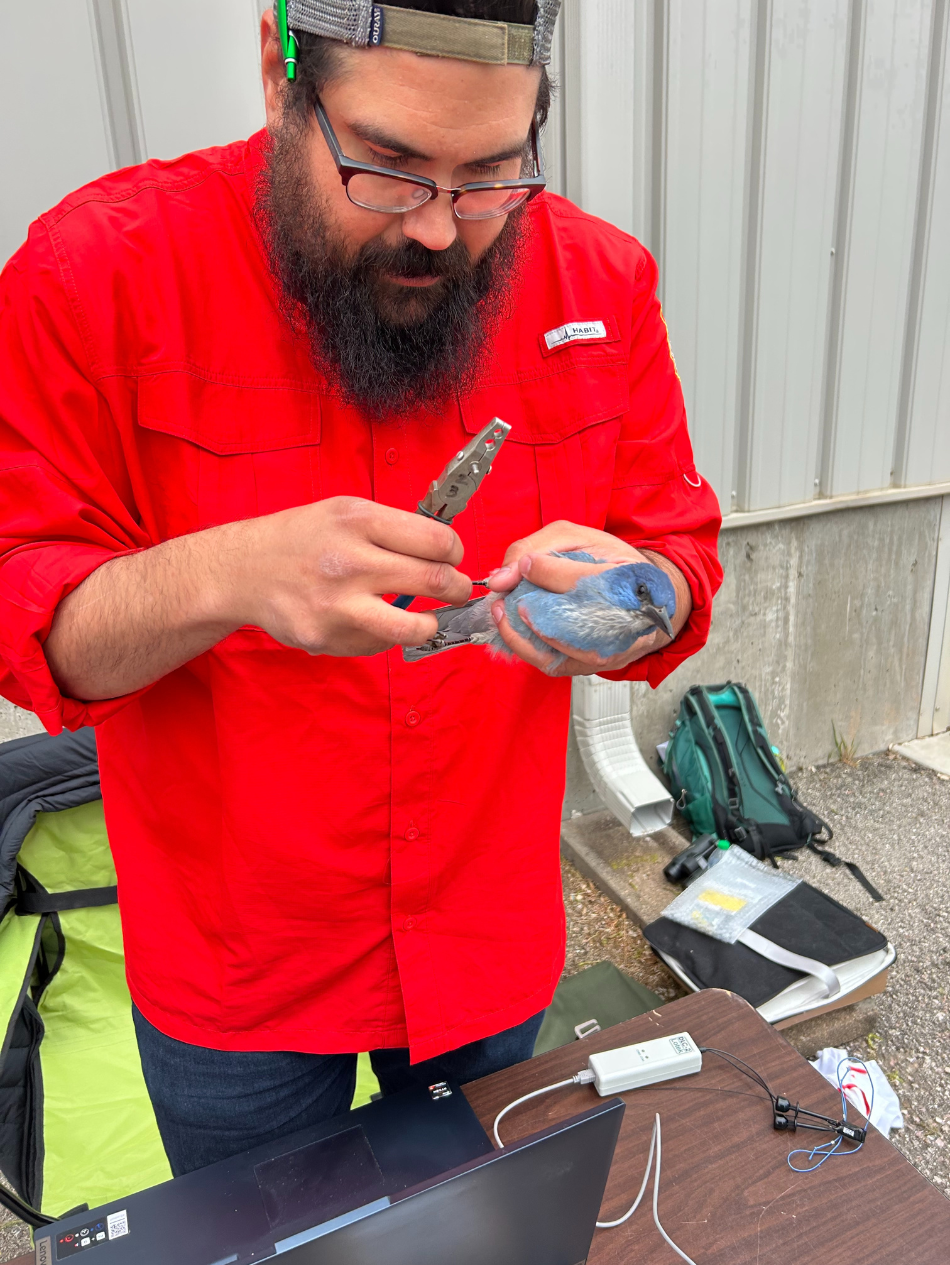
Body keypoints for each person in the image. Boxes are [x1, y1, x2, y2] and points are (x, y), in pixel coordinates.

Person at [0, 0, 722, 1175]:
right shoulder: (98, 273)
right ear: (280, 77)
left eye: (489, 173)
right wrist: (227, 572)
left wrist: (637, 598)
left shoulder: (600, 281)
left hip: (484, 937)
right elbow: (30, 623)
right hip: (235, 968)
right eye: (386, 168)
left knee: (488, 1224)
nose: (439, 230)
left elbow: (679, 558)